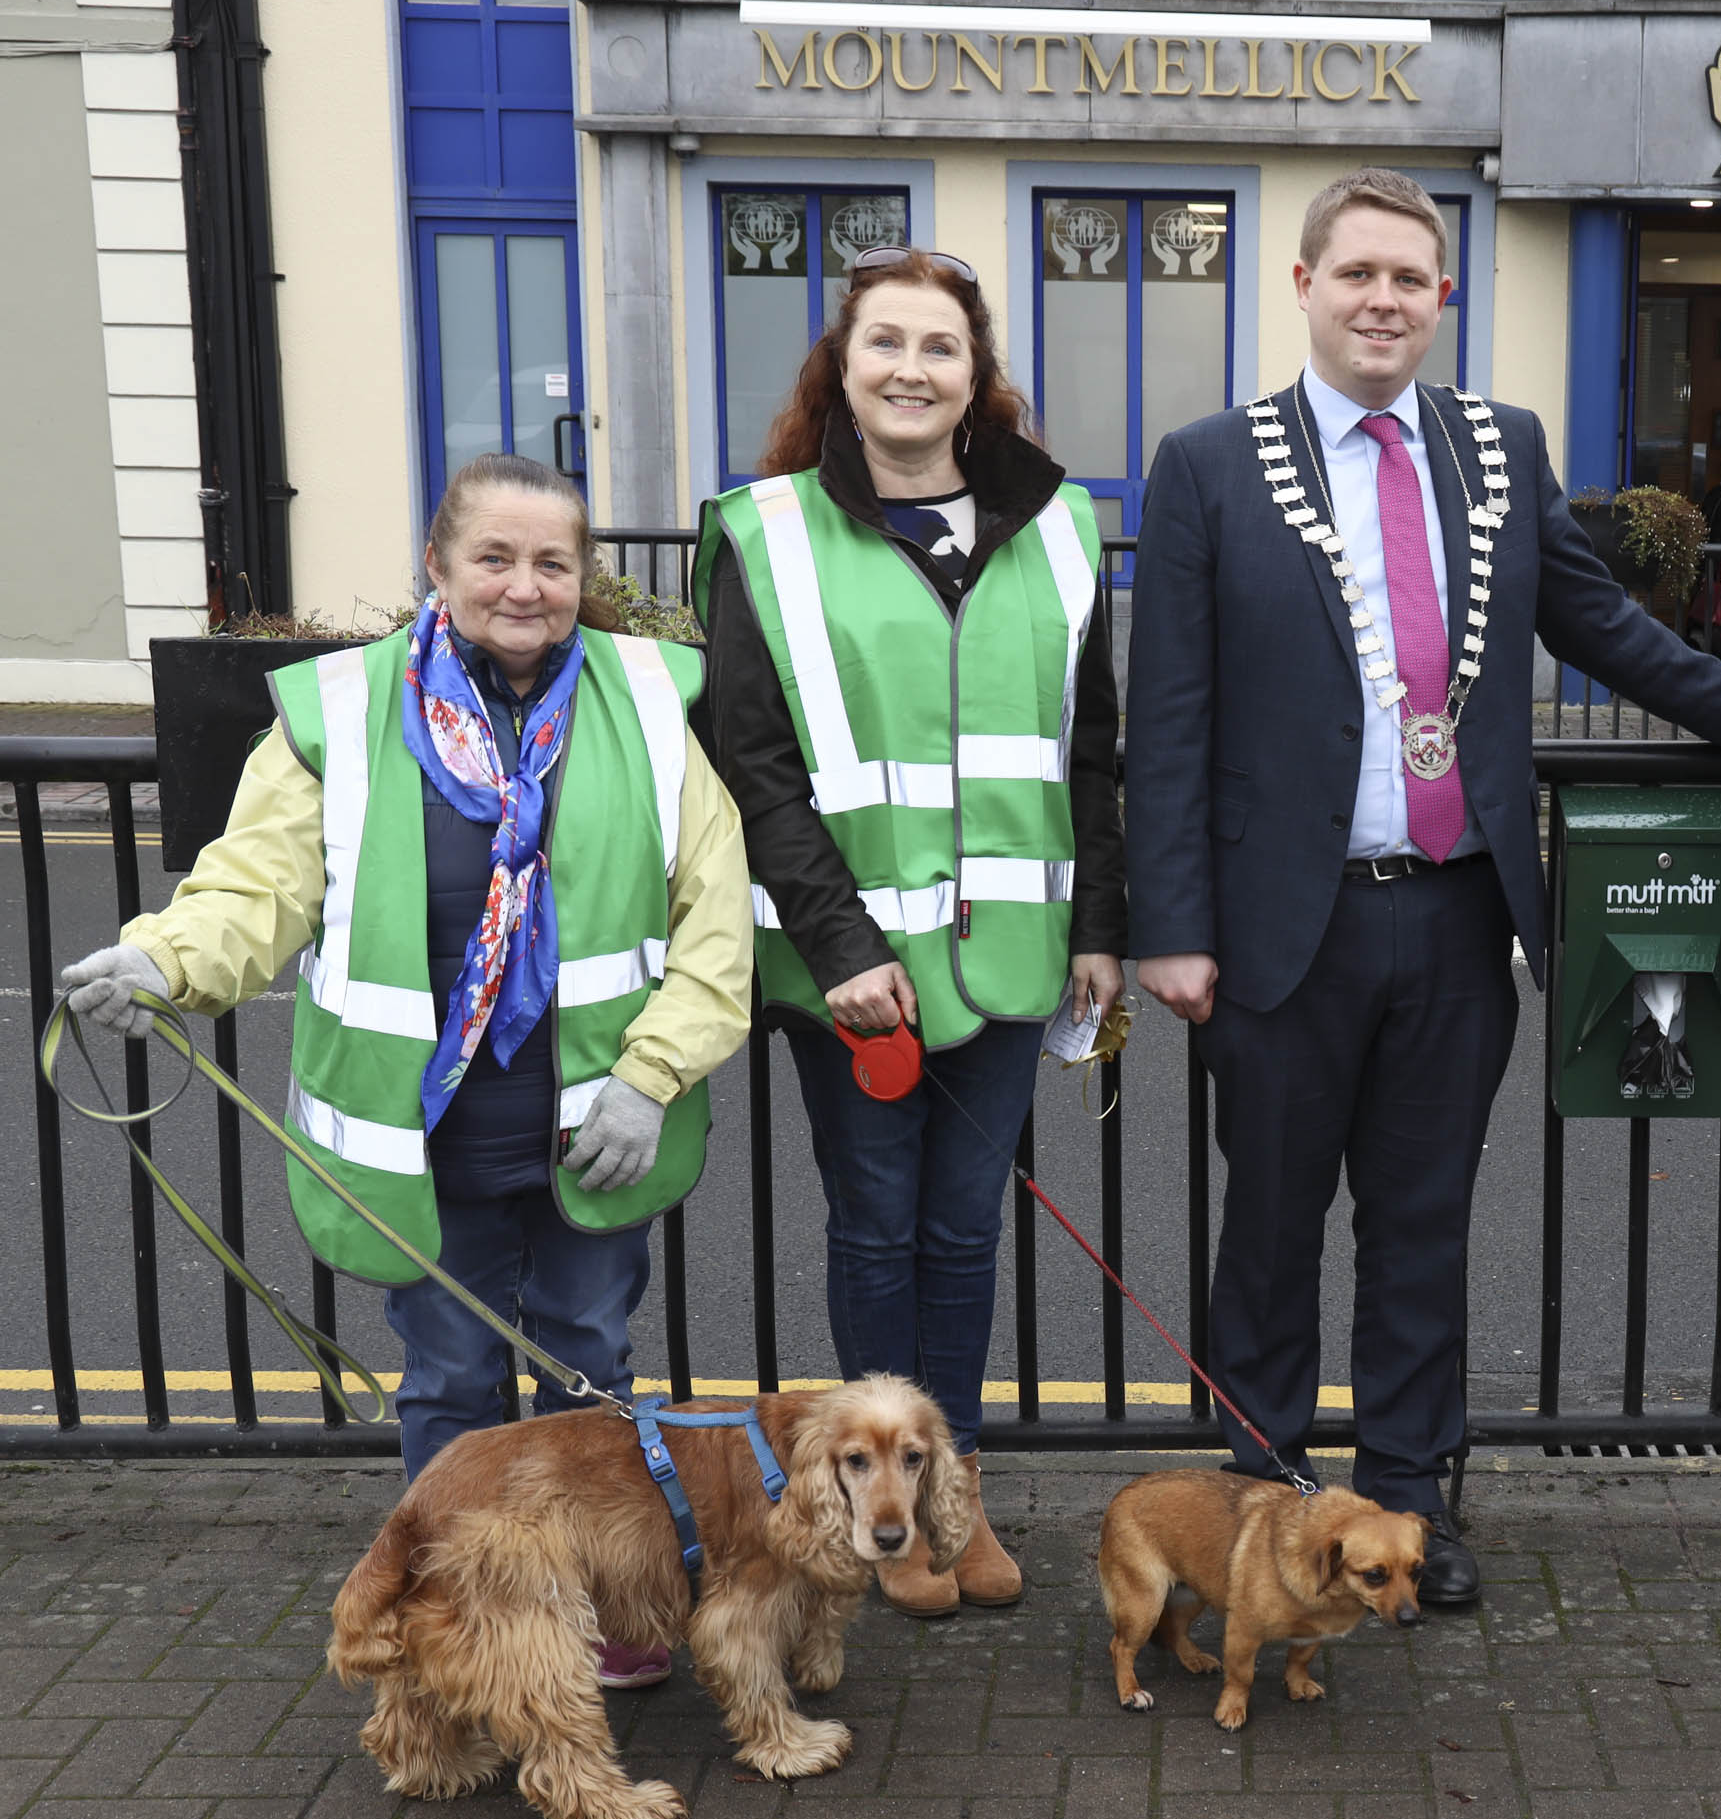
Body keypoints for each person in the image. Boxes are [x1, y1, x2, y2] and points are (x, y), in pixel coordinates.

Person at [1126, 167, 1721, 1607]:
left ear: (1442, 299)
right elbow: (1170, 712)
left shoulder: (1497, 449)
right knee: (1268, 1232)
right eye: (1357, 272)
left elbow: (1608, 630)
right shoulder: (1206, 462)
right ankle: (1258, 1524)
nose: (1384, 299)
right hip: (1277, 926)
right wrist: (1169, 925)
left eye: (1412, 278)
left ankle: (1404, 1518)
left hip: (1457, 910)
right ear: (1304, 286)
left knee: (1422, 1228)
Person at [59, 452, 751, 1690]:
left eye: (554, 562)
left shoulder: (645, 705)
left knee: (588, 1365)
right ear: (437, 566)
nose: (526, 586)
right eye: (495, 557)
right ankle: (470, 1619)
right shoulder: (343, 711)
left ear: (582, 577)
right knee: (451, 1381)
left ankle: (601, 1593)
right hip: (416, 1143)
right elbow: (256, 884)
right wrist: (165, 957)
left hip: (595, 1123)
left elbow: (715, 922)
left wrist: (652, 1076)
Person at [696, 247, 1126, 1620]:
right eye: (886, 342)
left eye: (940, 348)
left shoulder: (1062, 530)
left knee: (960, 1230)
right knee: (876, 1225)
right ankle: (867, 1515)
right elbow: (751, 760)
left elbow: (1094, 751)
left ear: (977, 376)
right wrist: (835, 945)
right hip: (853, 973)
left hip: (1011, 950)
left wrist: (1100, 924)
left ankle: (954, 1495)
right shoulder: (765, 530)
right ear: (844, 360)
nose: (912, 370)